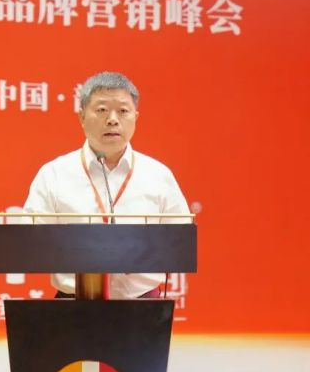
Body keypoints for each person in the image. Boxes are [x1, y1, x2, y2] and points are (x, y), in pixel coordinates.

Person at [23, 71, 191, 299]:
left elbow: (180, 242)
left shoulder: (158, 175)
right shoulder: (54, 173)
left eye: (123, 111)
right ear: (82, 117)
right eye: (102, 110)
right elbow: (31, 242)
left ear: (135, 117)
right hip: (73, 302)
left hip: (142, 303)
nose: (112, 119)